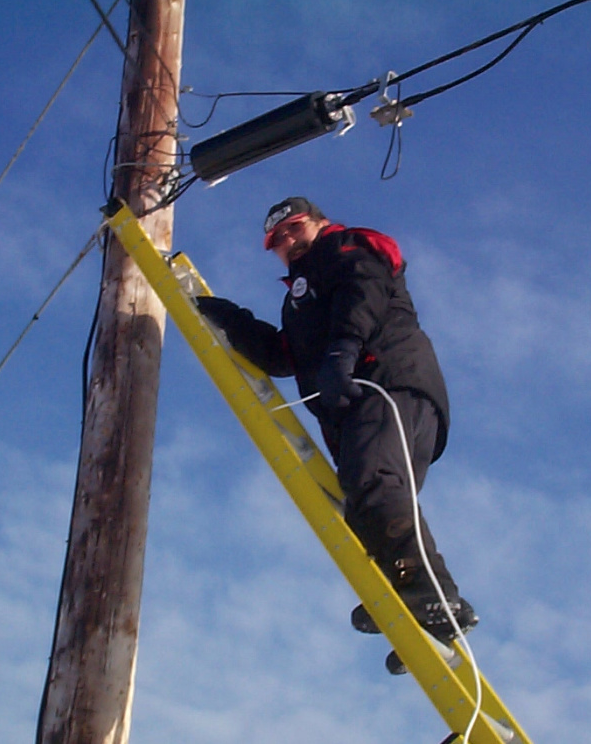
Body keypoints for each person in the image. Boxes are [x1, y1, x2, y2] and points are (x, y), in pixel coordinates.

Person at [196, 197, 476, 643]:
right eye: (277, 240)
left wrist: (344, 350)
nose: (287, 240)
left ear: (319, 222)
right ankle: (426, 622)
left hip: (387, 382)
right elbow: (283, 357)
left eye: (294, 227)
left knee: (372, 482)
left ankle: (431, 596)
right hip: (367, 407)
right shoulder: (299, 304)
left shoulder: (344, 248)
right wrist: (232, 320)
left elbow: (363, 288)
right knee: (367, 505)